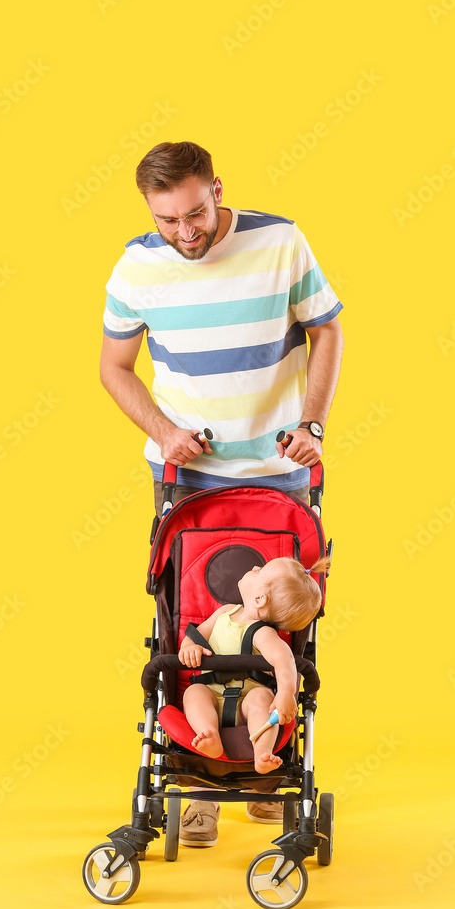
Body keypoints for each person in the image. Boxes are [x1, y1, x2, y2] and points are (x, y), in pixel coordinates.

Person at [99, 140, 344, 831]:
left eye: (196, 213)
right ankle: (197, 781)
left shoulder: (279, 242)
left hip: (277, 473)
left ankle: (270, 770)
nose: (184, 232)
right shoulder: (136, 265)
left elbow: (327, 331)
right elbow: (114, 367)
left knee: (281, 631)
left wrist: (313, 424)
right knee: (187, 627)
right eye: (167, 219)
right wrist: (165, 432)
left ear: (216, 189)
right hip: (187, 477)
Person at [176, 556, 328, 847]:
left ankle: (262, 753)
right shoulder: (223, 613)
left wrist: (285, 693)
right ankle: (208, 733)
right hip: (213, 692)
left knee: (262, 698)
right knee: (192, 693)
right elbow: (195, 635)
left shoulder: (264, 634)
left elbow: (284, 662)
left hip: (247, 699)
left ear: (259, 597)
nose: (254, 566)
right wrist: (189, 648)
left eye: (260, 570)